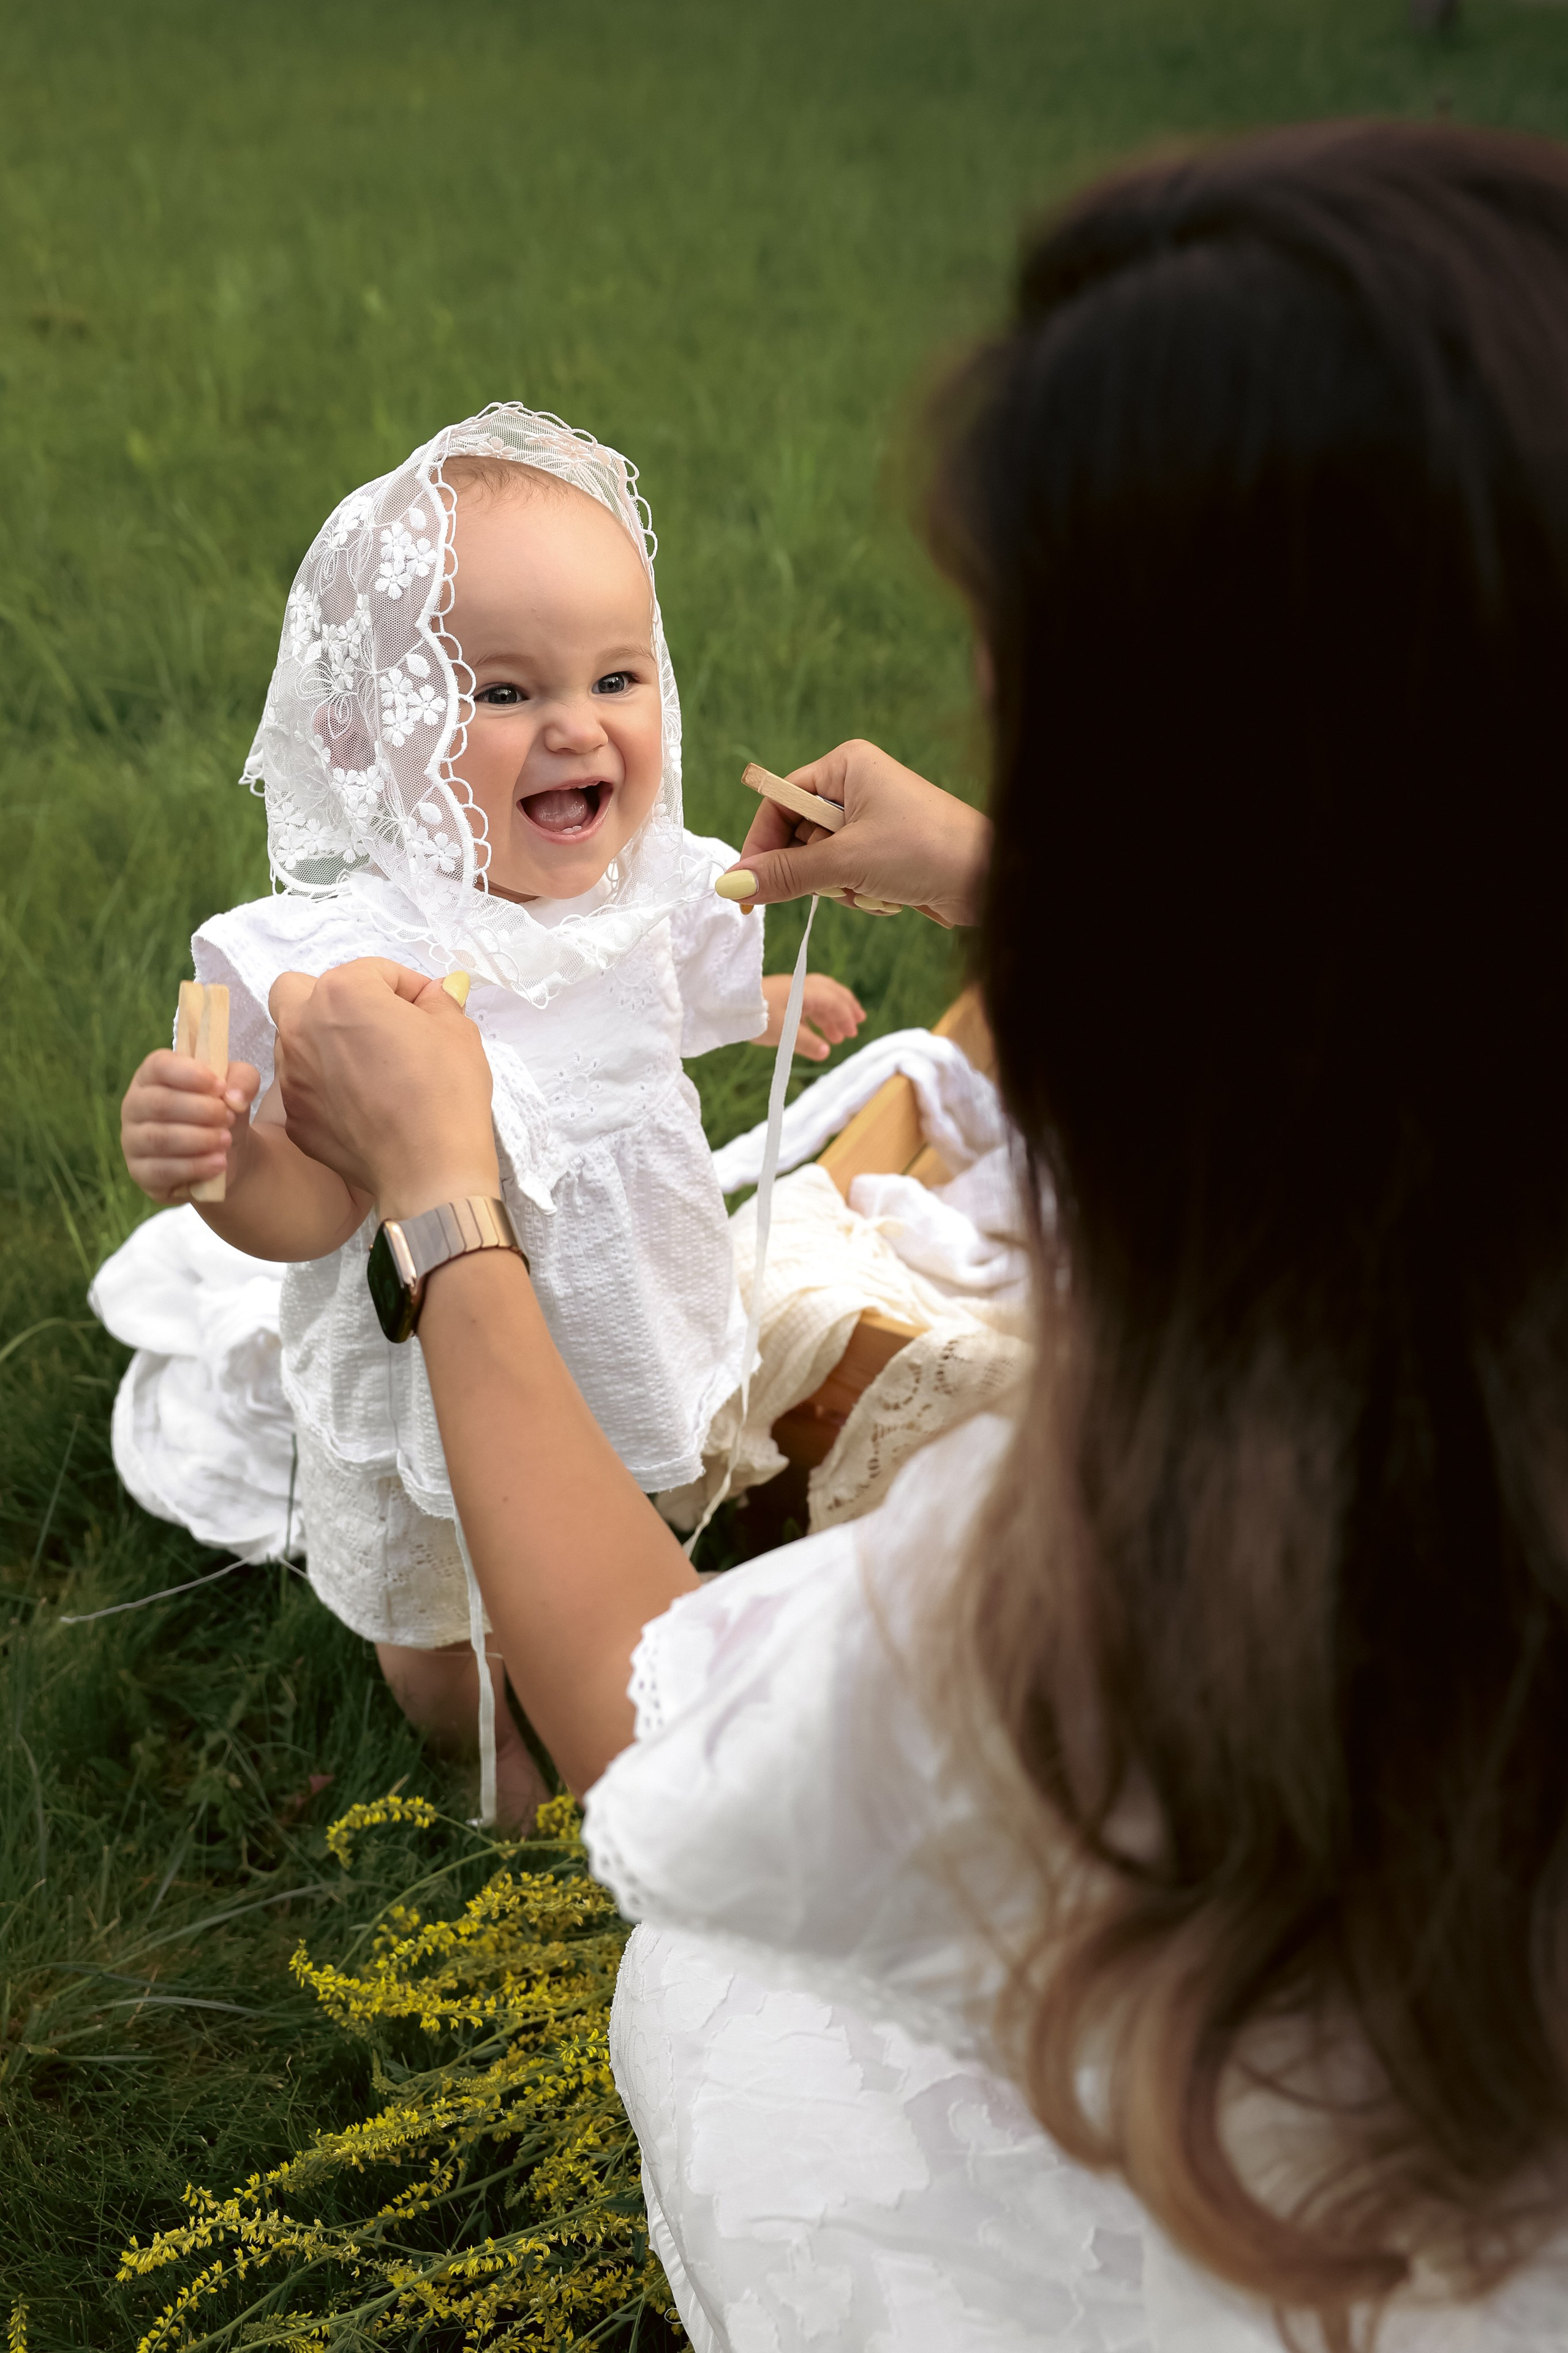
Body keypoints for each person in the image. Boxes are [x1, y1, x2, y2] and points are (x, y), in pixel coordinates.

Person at [263, 122, 1568, 2349]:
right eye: (501, 691)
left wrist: (444, 1205)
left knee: (756, 2028)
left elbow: (673, 1744)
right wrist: (1002, 871)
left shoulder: (1228, 1540)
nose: (583, 730)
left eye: (1060, 730)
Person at [116, 405, 862, 1824]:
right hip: (426, 1373)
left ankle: (602, 1658)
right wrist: (222, 1165)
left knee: (605, 1532)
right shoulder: (345, 964)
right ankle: (489, 1773)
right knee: (438, 1618)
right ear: (374, 732)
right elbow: (317, 1207)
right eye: (503, 692)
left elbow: (662, 998)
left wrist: (764, 1005)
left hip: (609, 1327)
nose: (577, 724)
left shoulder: (649, 884)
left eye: (616, 675)